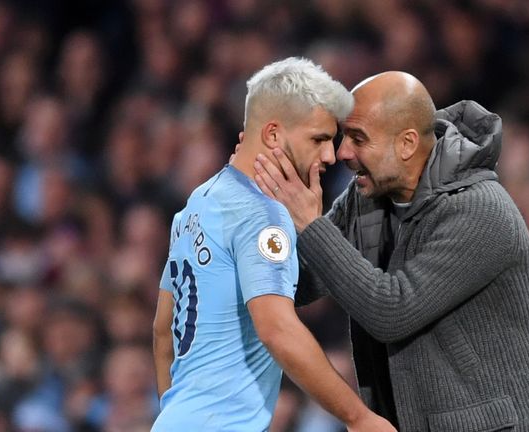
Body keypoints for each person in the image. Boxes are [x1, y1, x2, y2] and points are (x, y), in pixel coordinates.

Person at [254, 71, 529, 431]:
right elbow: (302, 276)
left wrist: (309, 224)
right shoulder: (368, 197)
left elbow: (391, 310)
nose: (342, 153)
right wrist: (256, 231)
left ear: (406, 144)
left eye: (358, 138)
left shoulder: (480, 210)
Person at [151, 58, 394, 432]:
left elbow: (162, 330)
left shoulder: (197, 203)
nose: (331, 156)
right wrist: (358, 417)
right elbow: (277, 329)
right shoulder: (262, 215)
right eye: (319, 139)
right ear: (273, 135)